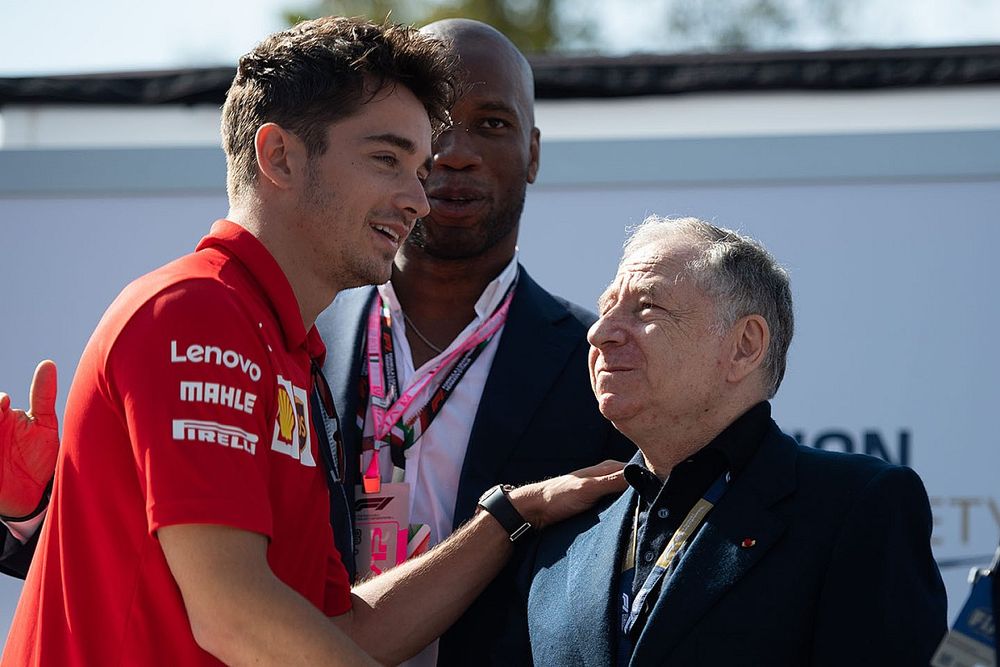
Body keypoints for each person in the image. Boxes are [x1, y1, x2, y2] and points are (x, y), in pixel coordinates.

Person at [0, 17, 635, 666]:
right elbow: (234, 611)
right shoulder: (195, 313)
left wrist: (505, 519)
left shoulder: (287, 349)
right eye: (389, 159)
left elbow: (340, 628)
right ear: (279, 156)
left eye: (419, 167)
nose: (419, 196)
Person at [316, 18, 635, 665]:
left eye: (492, 123)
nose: (455, 152)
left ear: (534, 152)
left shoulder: (599, 365)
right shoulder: (302, 340)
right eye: (434, 124)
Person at [511, 215, 948, 666]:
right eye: (606, 309)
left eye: (646, 307)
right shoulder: (567, 532)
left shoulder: (855, 506)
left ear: (744, 345)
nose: (599, 333)